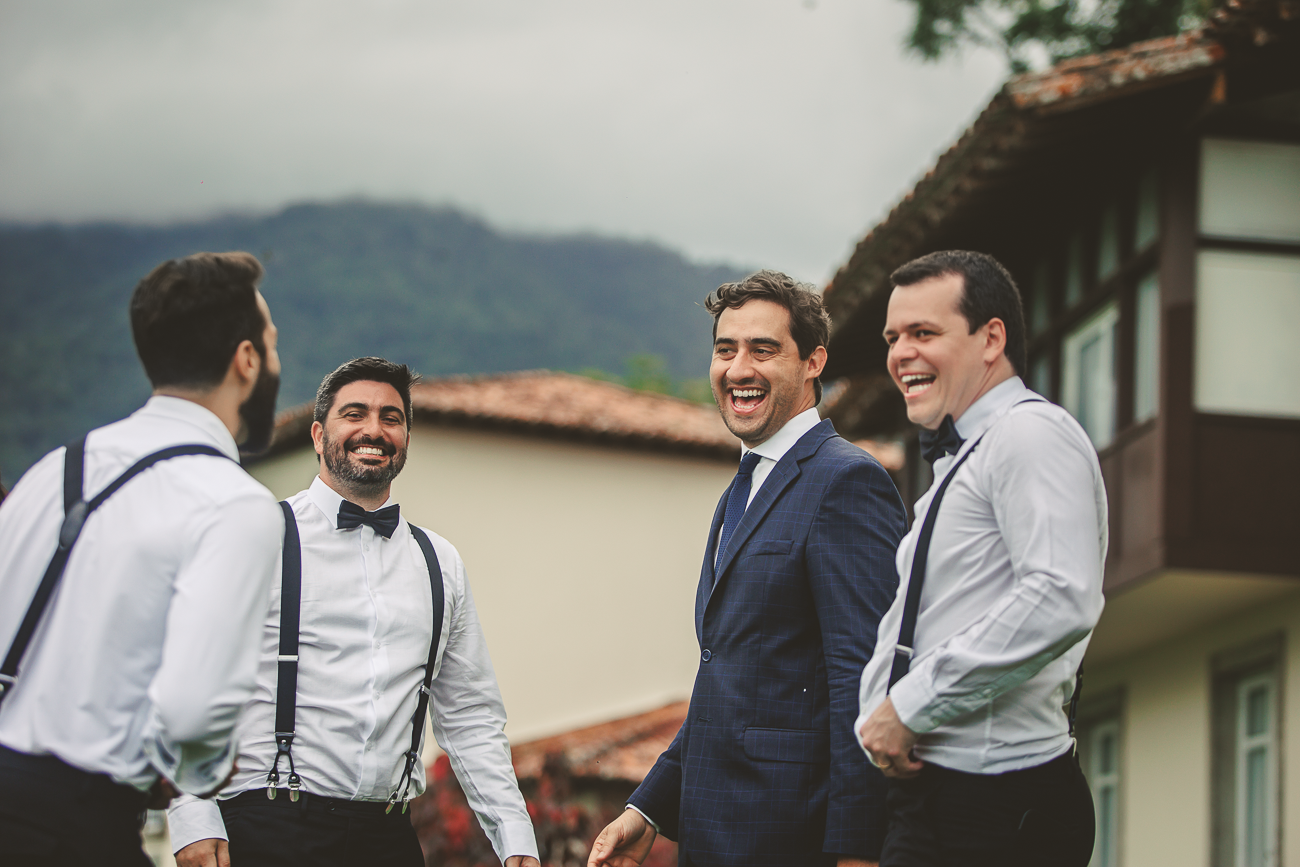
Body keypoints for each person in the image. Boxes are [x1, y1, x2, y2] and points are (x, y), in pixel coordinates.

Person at [589, 271, 907, 867]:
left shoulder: (847, 481)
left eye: (764, 350)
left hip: (795, 843)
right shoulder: (742, 489)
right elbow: (729, 685)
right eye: (725, 350)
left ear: (814, 362)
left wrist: (859, 851)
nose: (739, 369)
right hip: (715, 841)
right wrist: (648, 810)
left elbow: (866, 682)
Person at [169, 356, 540, 867]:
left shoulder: (440, 563)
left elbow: (472, 717)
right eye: (355, 414)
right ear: (319, 435)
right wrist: (192, 815)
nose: (374, 429)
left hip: (387, 835)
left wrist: (515, 837)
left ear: (406, 437)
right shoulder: (256, 536)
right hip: (267, 826)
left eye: (392, 417)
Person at [0, 252, 285, 866]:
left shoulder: (54, 470)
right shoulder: (233, 504)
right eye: (272, 345)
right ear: (247, 361)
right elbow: (192, 715)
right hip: (72, 831)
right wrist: (192, 768)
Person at [856, 250, 1106, 867]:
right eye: (893, 337)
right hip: (942, 800)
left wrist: (910, 707)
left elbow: (1060, 596)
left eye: (923, 333)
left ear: (990, 338)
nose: (900, 354)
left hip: (994, 808)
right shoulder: (969, 455)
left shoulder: (1029, 435)